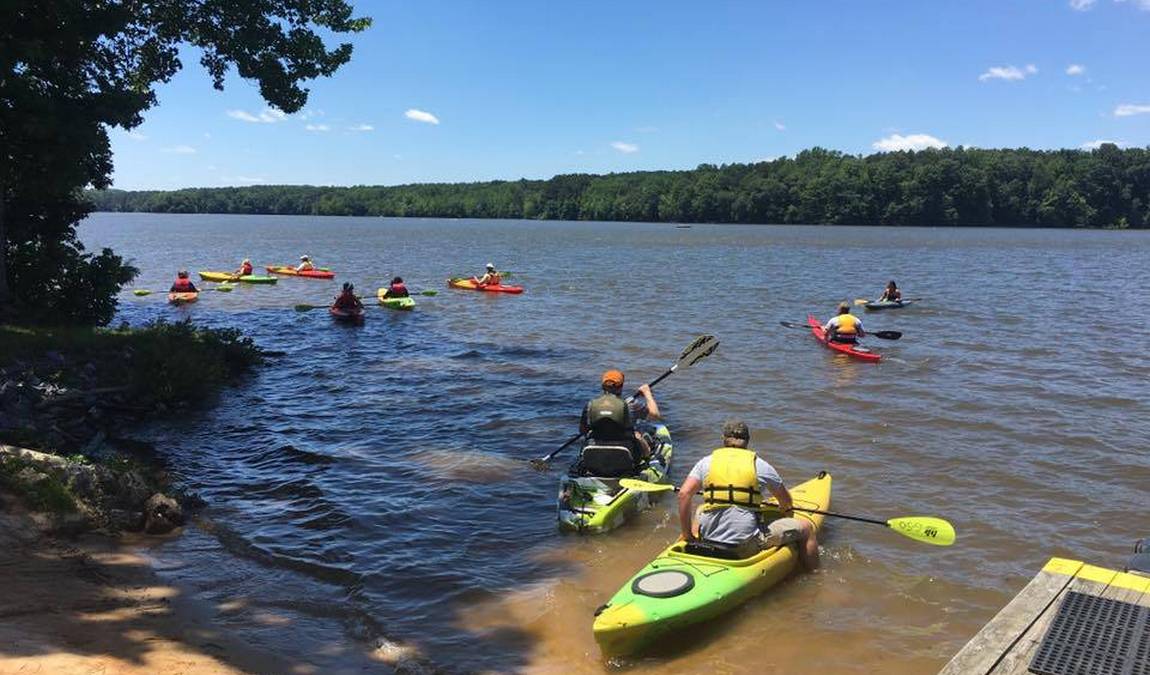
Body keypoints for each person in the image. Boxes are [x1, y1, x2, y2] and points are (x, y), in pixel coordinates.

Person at [678, 420, 819, 570]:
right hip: (745, 546)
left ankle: (690, 538)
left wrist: (687, 535)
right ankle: (815, 576)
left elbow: (683, 494)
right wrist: (785, 513)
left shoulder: (705, 463)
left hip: (709, 539)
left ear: (723, 439)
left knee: (701, 510)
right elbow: (786, 504)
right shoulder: (762, 466)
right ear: (747, 441)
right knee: (806, 528)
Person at [579, 370, 652, 462]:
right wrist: (647, 393)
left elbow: (582, 431)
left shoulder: (590, 406)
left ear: (602, 387)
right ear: (621, 387)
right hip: (625, 458)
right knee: (639, 434)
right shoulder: (632, 405)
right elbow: (654, 415)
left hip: (596, 457)